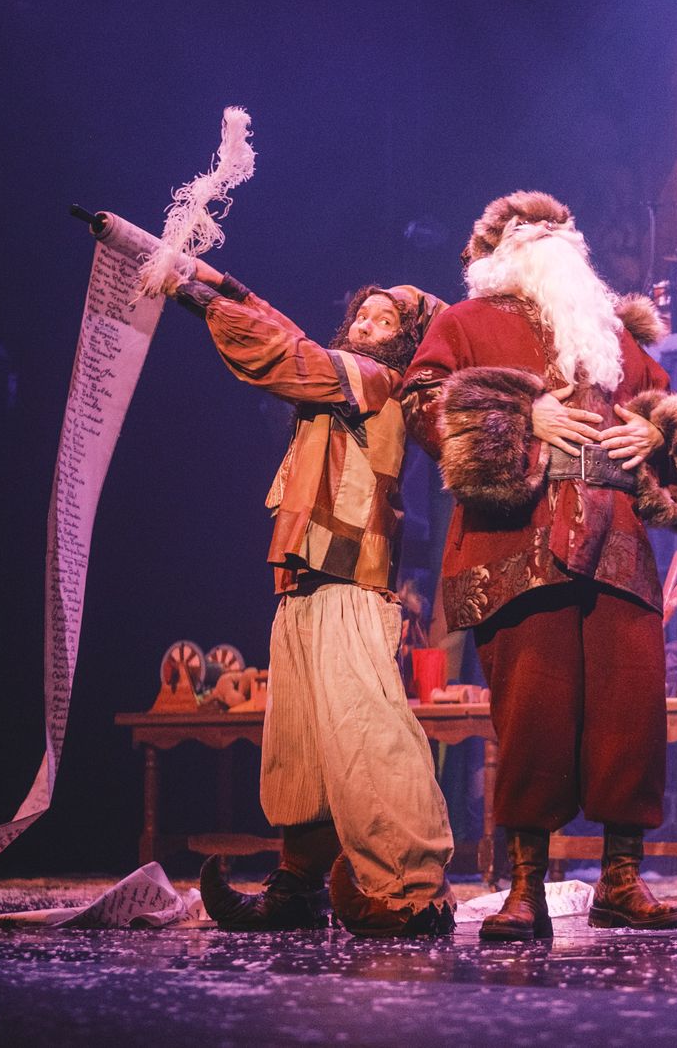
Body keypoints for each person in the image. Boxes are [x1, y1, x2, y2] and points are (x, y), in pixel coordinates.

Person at [401, 190, 677, 941]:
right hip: (519, 541)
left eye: (560, 232)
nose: (551, 241)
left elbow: (670, 409)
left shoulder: (609, 335)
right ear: (501, 250)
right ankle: (524, 888)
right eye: (532, 232)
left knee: (629, 711)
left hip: (617, 545)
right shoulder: (464, 323)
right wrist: (517, 416)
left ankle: (621, 879)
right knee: (532, 714)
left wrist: (655, 435)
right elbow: (420, 401)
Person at [161, 259, 457, 937]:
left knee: (368, 735)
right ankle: (297, 886)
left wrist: (195, 300)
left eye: (386, 320)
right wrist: (208, 280)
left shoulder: (374, 381)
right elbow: (277, 325)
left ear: (405, 343)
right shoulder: (338, 380)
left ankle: (414, 891)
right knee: (303, 746)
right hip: (305, 579)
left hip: (352, 580)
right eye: (363, 314)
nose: (368, 324)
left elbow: (282, 355)